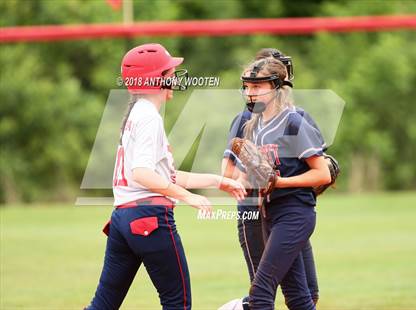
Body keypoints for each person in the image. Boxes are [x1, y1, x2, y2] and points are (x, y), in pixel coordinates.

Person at [85, 43, 246, 310]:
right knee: (177, 302)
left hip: (123, 219)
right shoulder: (148, 117)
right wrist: (188, 197)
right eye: (169, 71)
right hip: (148, 219)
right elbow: (143, 174)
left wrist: (218, 181)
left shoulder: (139, 114)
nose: (174, 77)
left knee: (103, 304)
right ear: (153, 79)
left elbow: (166, 175)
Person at [221, 57, 331, 310]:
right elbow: (246, 175)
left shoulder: (293, 121)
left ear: (277, 87)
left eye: (257, 86)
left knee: (260, 294)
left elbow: (322, 174)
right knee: (298, 298)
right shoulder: (254, 124)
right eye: (247, 86)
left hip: (294, 213)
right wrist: (247, 178)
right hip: (268, 214)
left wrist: (279, 182)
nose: (250, 92)